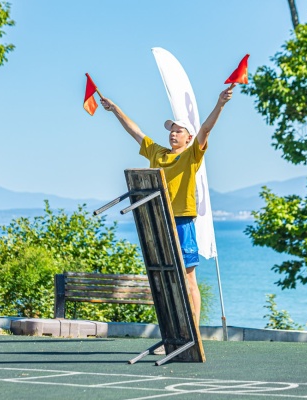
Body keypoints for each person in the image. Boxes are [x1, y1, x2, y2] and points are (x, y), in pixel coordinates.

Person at [99, 85, 234, 329]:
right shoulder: (157, 153)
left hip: (182, 221)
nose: (173, 134)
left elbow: (206, 129)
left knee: (188, 278)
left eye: (178, 131)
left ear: (188, 137)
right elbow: (135, 131)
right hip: (160, 220)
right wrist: (115, 109)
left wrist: (220, 104)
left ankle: (194, 331)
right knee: (167, 278)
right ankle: (176, 329)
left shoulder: (192, 154)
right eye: (171, 130)